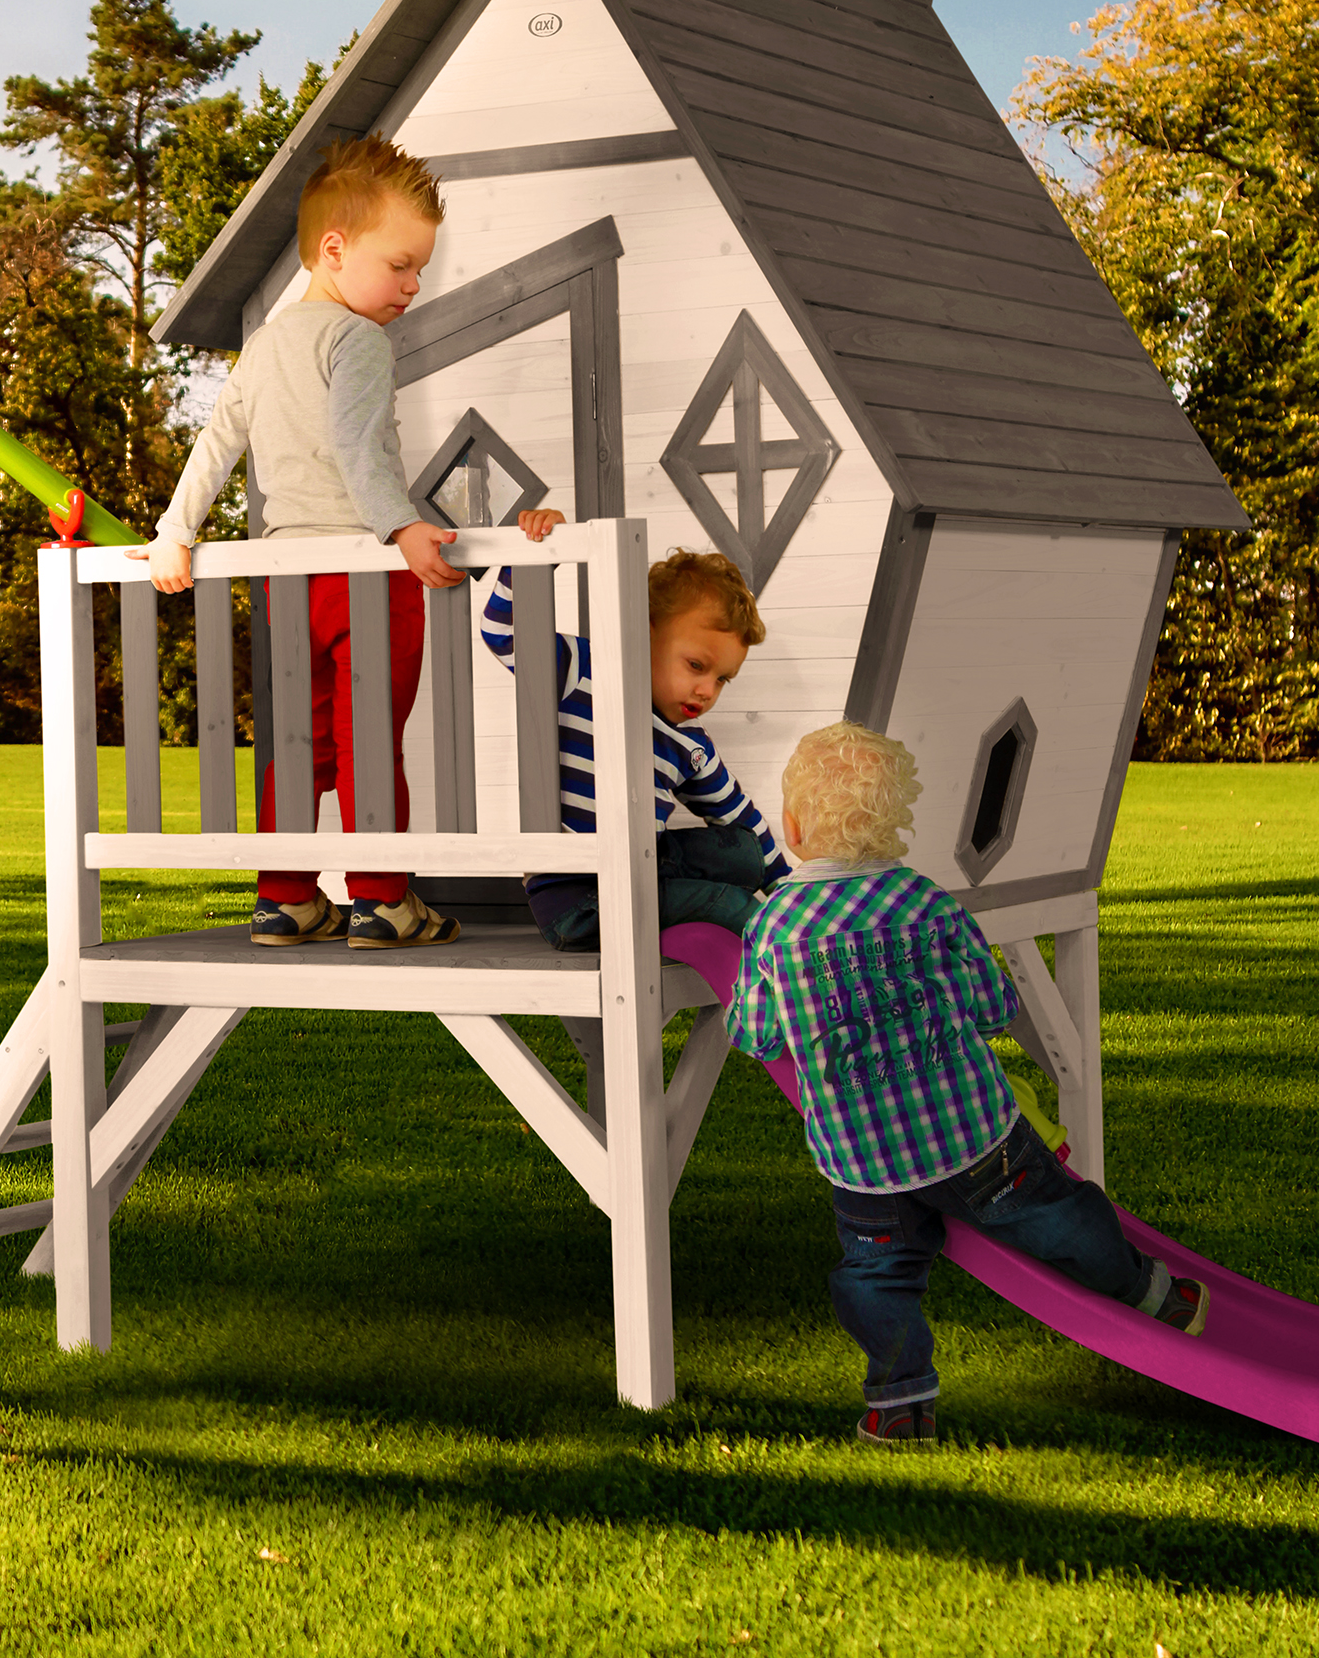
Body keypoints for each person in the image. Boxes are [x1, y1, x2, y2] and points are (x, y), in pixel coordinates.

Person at [731, 719, 1205, 1445]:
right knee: (1059, 1216)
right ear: (896, 826)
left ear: (792, 828)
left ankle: (901, 1402)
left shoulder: (775, 925)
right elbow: (992, 1004)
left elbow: (755, 1034)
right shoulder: (925, 900)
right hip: (974, 1136)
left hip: (867, 1162)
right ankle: (1153, 1294)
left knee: (875, 1275)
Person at [145, 134, 466, 950]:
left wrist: (173, 531)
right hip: (362, 569)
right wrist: (403, 527)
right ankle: (383, 899)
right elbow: (362, 446)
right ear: (334, 249)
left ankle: (286, 897)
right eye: (400, 264)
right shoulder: (356, 340)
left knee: (297, 740)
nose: (413, 283)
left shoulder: (264, 346)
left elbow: (215, 442)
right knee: (368, 740)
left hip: (285, 581)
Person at [479, 531, 785, 951]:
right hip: (577, 901)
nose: (706, 690)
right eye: (696, 665)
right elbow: (500, 631)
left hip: (637, 876)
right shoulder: (584, 671)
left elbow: (738, 815)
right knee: (734, 905)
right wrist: (540, 555)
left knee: (747, 852)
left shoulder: (689, 744)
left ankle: (784, 920)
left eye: (721, 679)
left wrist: (789, 893)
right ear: (644, 632)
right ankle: (787, 967)